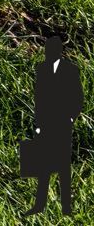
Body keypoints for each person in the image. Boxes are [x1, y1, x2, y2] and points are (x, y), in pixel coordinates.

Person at [28, 33, 82, 215]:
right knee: (44, 164)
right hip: (46, 123)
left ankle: (66, 206)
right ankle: (39, 204)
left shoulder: (70, 70)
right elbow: (39, 98)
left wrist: (70, 118)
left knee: (63, 166)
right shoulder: (42, 69)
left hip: (62, 123)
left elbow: (77, 98)